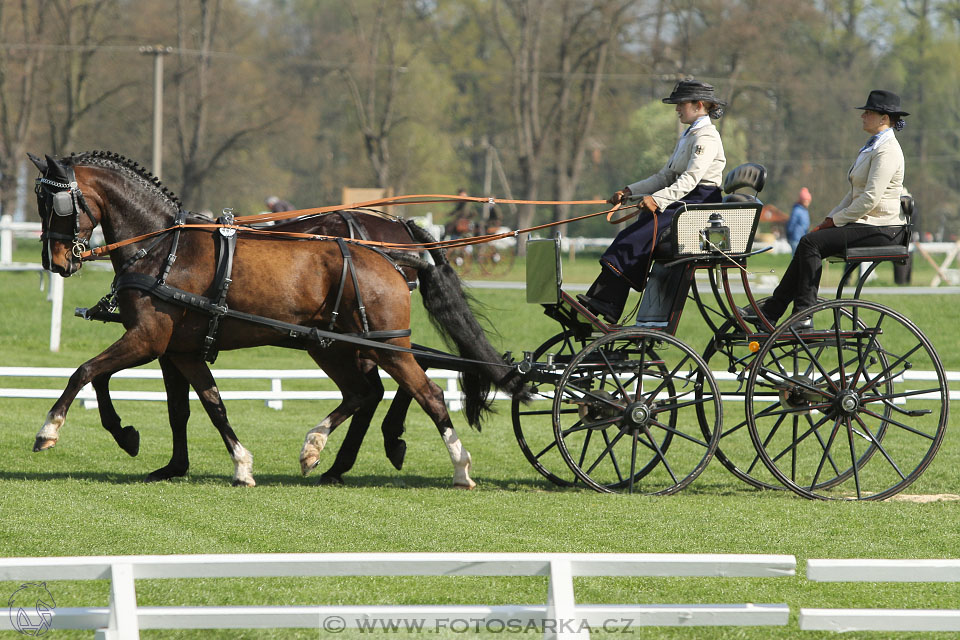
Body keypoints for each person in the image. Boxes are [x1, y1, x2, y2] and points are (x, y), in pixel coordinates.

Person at [742, 89, 909, 329]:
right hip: (868, 223)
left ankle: (802, 315)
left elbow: (870, 199)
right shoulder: (872, 147)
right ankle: (771, 311)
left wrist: (836, 221)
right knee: (808, 240)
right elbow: (853, 194)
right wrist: (829, 218)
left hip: (883, 229)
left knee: (811, 244)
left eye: (868, 113)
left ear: (884, 118)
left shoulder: (888, 150)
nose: (862, 117)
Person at [577, 79, 727, 323]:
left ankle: (606, 303)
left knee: (632, 236)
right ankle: (604, 302)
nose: (677, 109)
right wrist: (629, 191)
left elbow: (690, 179)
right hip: (683, 199)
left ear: (699, 105)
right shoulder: (689, 135)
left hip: (699, 203)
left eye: (681, 104)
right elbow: (665, 176)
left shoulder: (707, 137)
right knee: (635, 234)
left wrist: (657, 200)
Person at [786, 187, 812, 253]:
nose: (807, 203)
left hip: (802, 239)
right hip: (795, 239)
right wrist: (789, 236)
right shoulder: (797, 210)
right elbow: (791, 224)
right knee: (797, 258)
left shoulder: (805, 211)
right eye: (805, 200)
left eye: (808, 201)